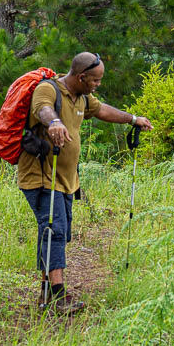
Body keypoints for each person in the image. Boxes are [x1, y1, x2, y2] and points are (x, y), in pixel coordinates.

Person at [19, 52, 153, 314]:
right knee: (54, 230)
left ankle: (46, 294)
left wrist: (133, 119)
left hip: (67, 180)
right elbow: (42, 109)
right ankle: (58, 297)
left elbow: (101, 109)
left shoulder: (82, 97)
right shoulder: (48, 90)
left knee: (57, 233)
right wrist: (54, 122)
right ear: (81, 77)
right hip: (43, 176)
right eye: (95, 80)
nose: (97, 85)